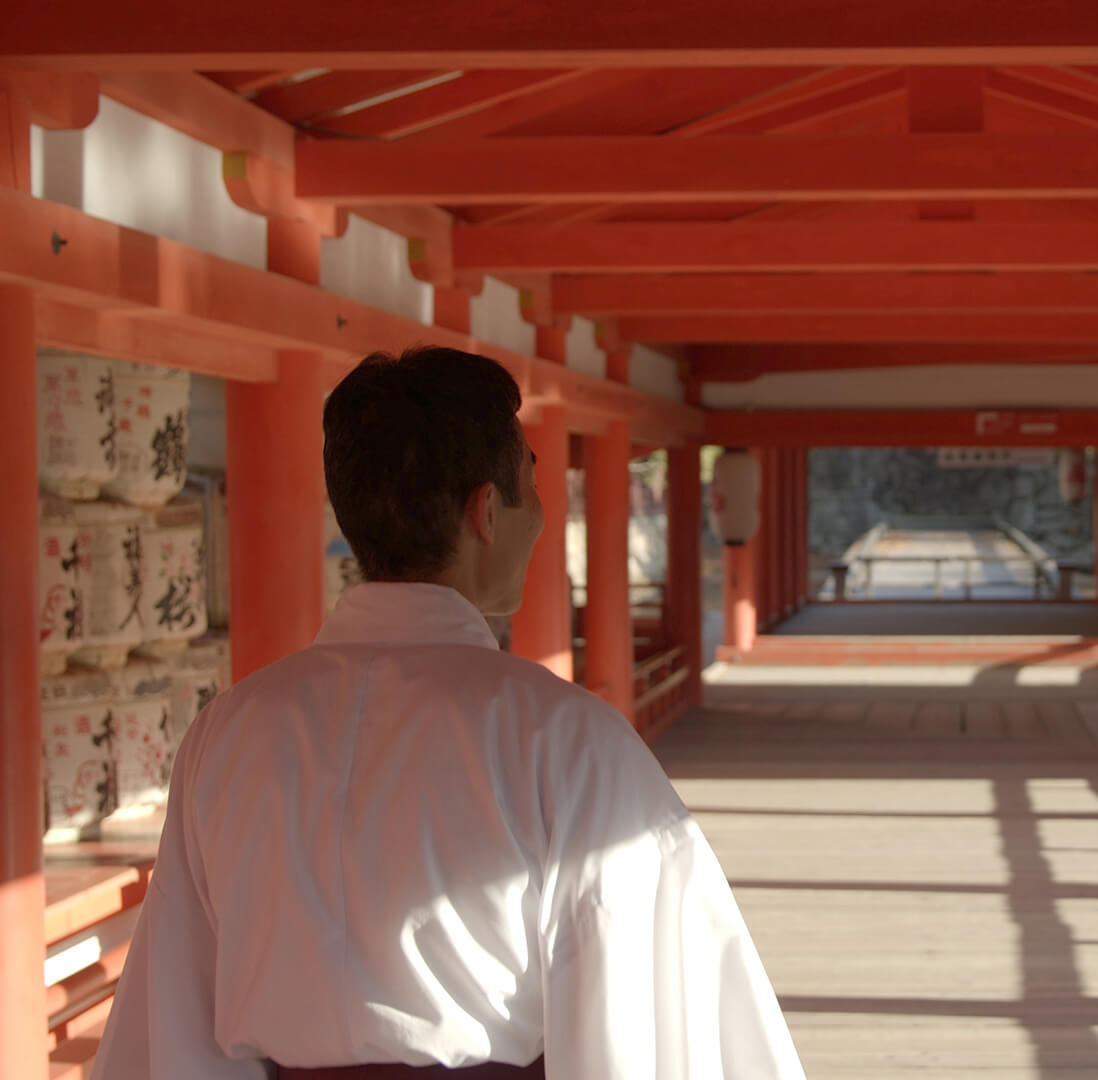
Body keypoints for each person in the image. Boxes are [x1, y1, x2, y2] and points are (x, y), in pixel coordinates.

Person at [94, 347, 805, 1079]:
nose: (538, 524)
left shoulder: (230, 730)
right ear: (486, 511)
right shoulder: (565, 737)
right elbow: (638, 997)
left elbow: (176, 1005)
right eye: (531, 494)